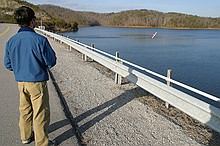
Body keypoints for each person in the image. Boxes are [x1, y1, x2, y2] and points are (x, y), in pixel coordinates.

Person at [4, 6, 56, 146]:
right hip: (37, 82)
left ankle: (26, 137)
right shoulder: (40, 40)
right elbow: (51, 62)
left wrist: (20, 69)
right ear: (32, 21)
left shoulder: (11, 41)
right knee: (40, 113)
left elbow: (7, 64)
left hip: (21, 82)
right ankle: (42, 142)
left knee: (25, 110)